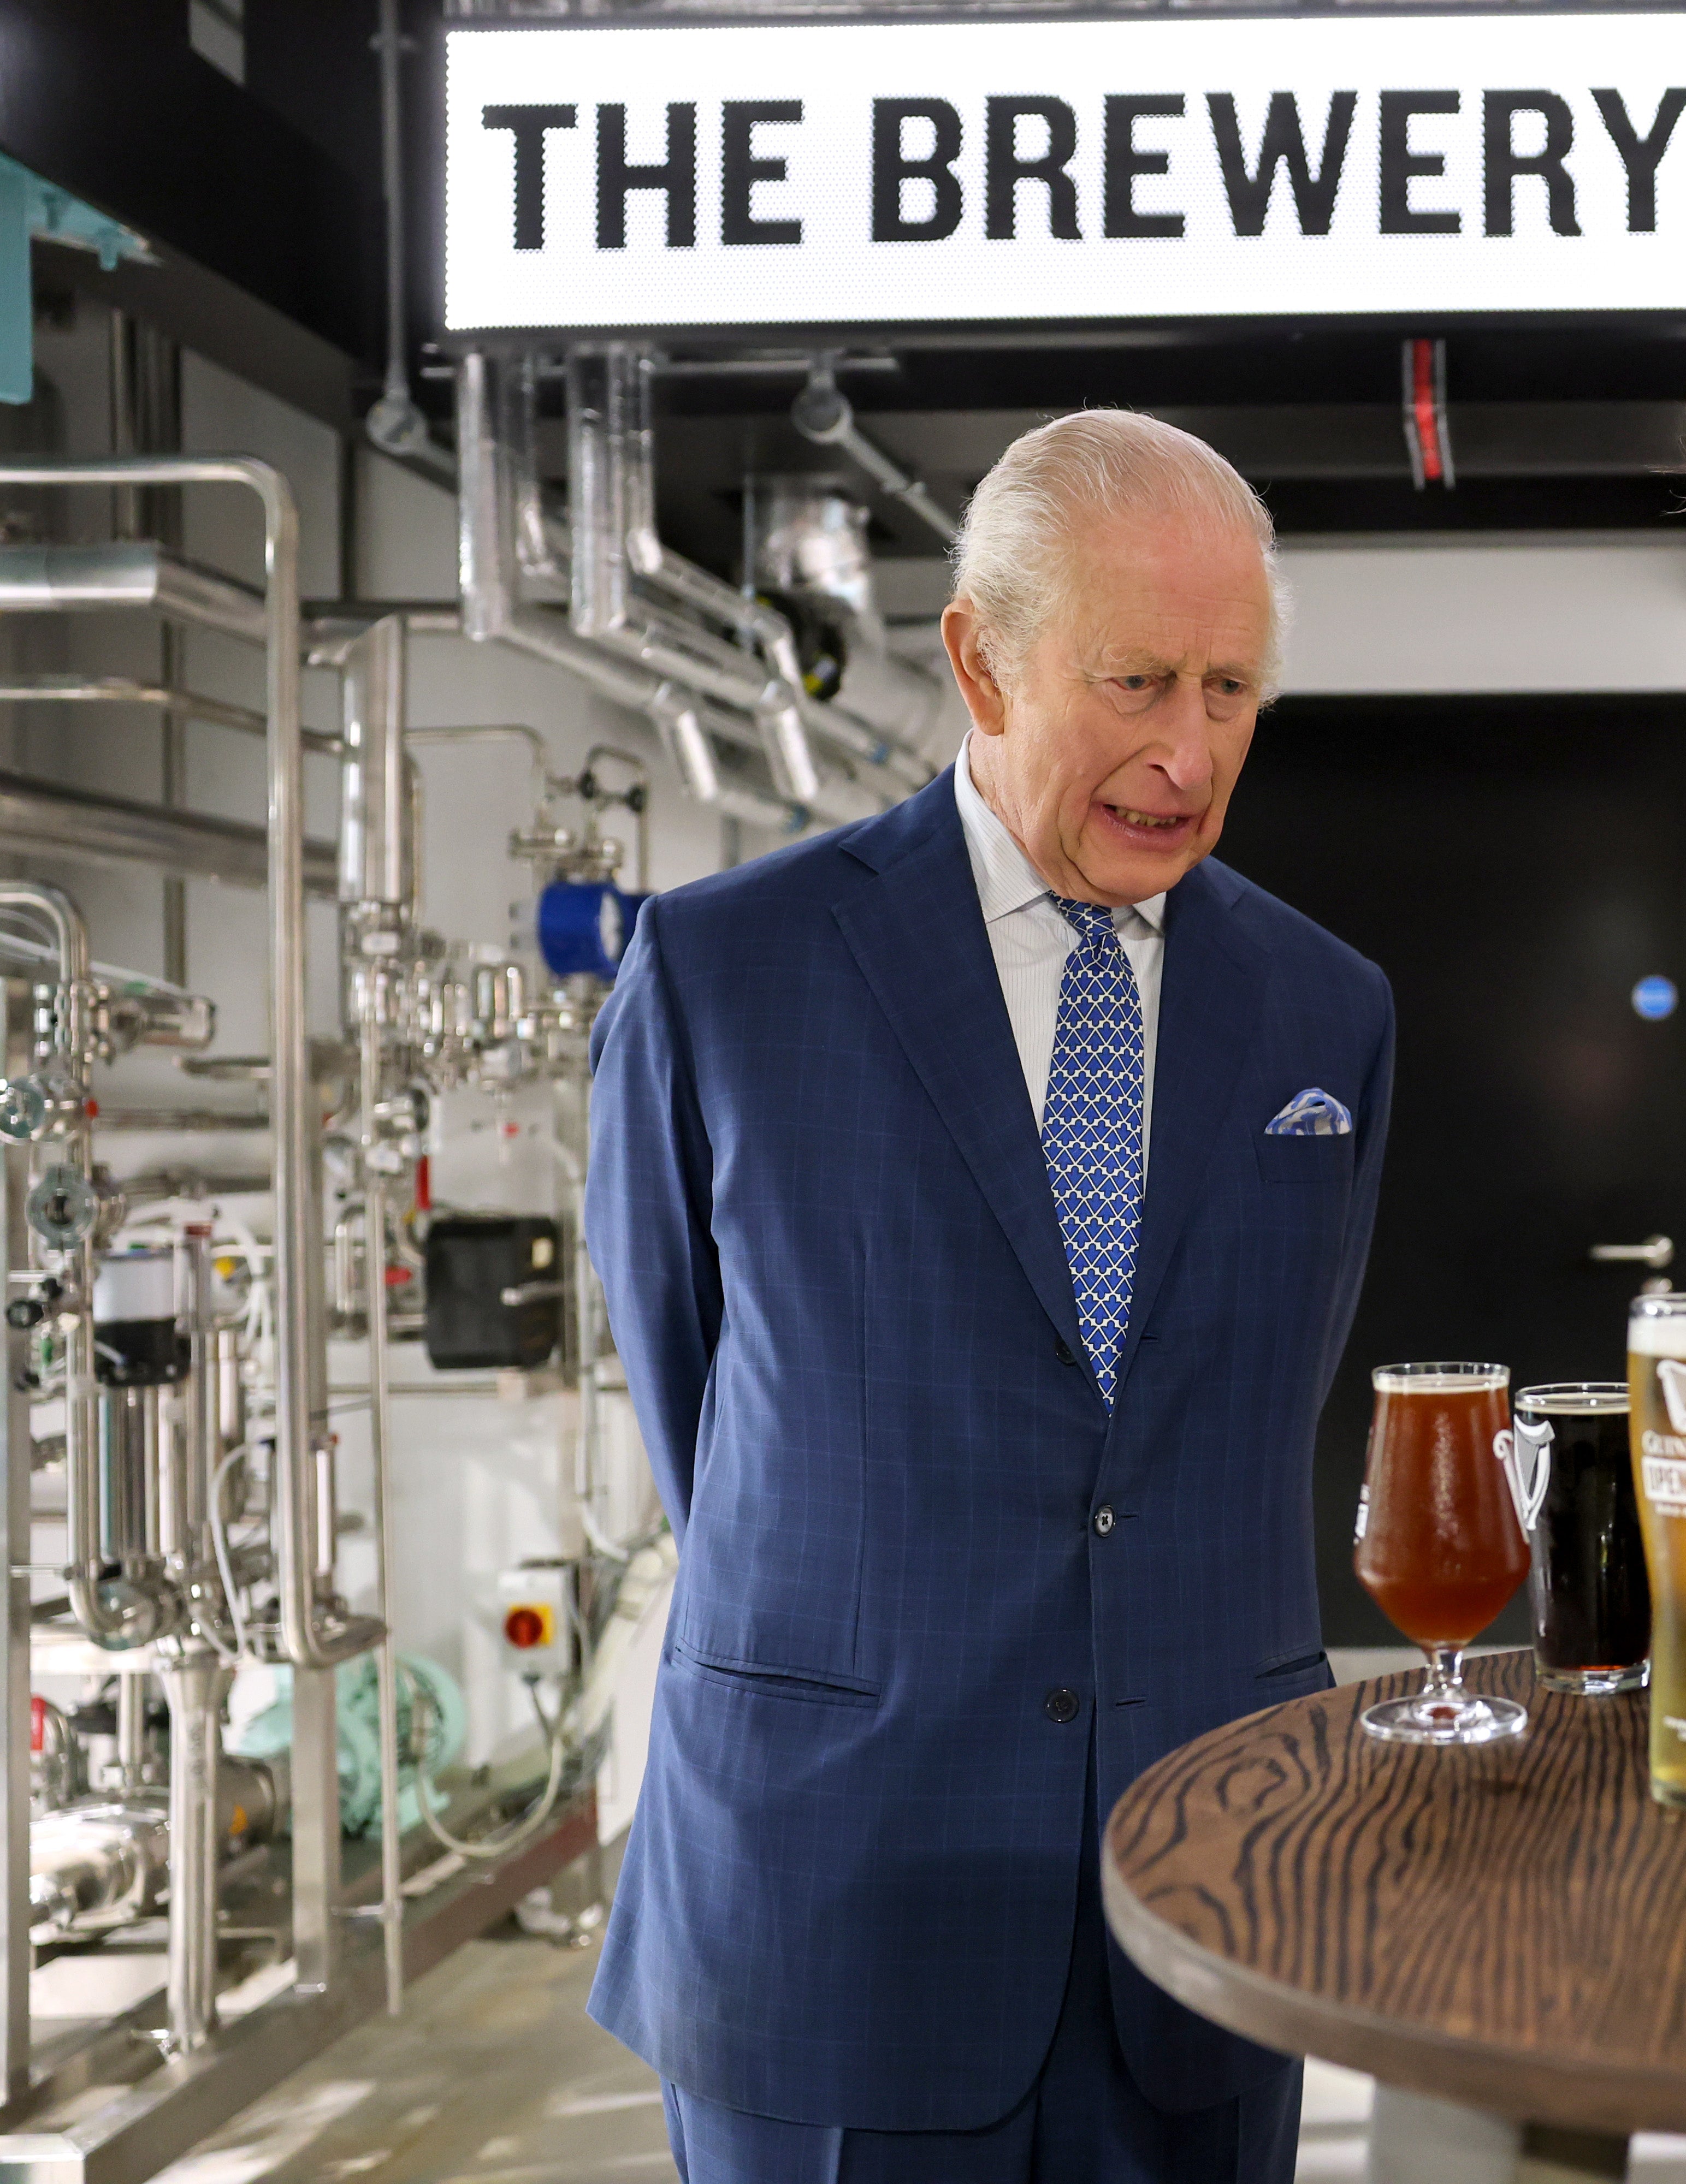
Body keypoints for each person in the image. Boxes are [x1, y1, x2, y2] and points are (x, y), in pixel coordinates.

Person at [584, 410, 1392, 2183]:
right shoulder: (725, 971)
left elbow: (1252, 1399)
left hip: (1212, 1902)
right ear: (980, 658)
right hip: (831, 1900)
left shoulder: (1331, 1014)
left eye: (1234, 690)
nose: (1189, 753)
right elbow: (692, 1390)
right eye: (1136, 683)